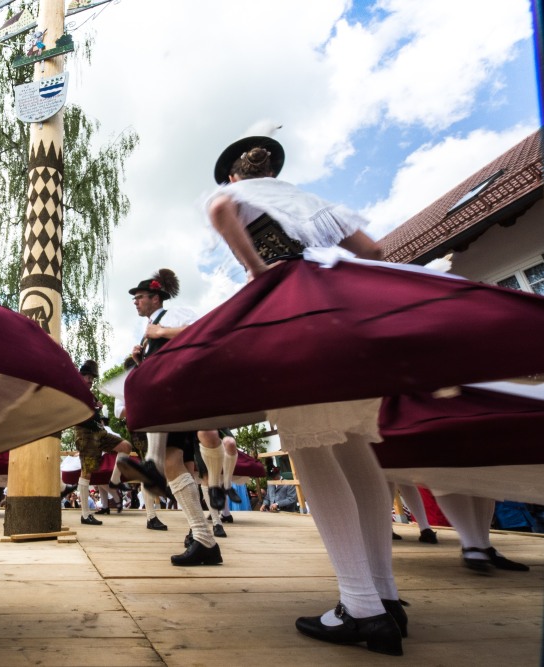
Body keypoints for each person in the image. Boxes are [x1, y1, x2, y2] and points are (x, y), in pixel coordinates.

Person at [205, 136, 403, 654]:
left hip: (290, 308)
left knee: (310, 443)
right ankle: (387, 598)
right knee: (357, 446)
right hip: (337, 306)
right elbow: (375, 251)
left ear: (233, 174)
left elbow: (223, 208)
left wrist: (255, 268)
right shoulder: (311, 201)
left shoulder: (236, 194)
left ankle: (361, 607)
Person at [117, 270, 222, 566]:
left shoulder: (173, 314)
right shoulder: (149, 327)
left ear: (155, 297)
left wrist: (160, 333)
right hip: (167, 395)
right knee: (175, 462)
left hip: (178, 393)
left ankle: (152, 467)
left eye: (139, 297)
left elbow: (203, 331)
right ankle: (204, 539)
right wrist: (141, 359)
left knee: (171, 460)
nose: (135, 302)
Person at [72, 360, 132, 526]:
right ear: (80, 377)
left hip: (99, 432)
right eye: (87, 376)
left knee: (126, 446)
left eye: (92, 377)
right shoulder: (76, 391)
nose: (90, 380)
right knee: (87, 472)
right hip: (86, 434)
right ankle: (85, 514)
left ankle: (115, 481)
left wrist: (97, 407)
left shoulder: (90, 394)